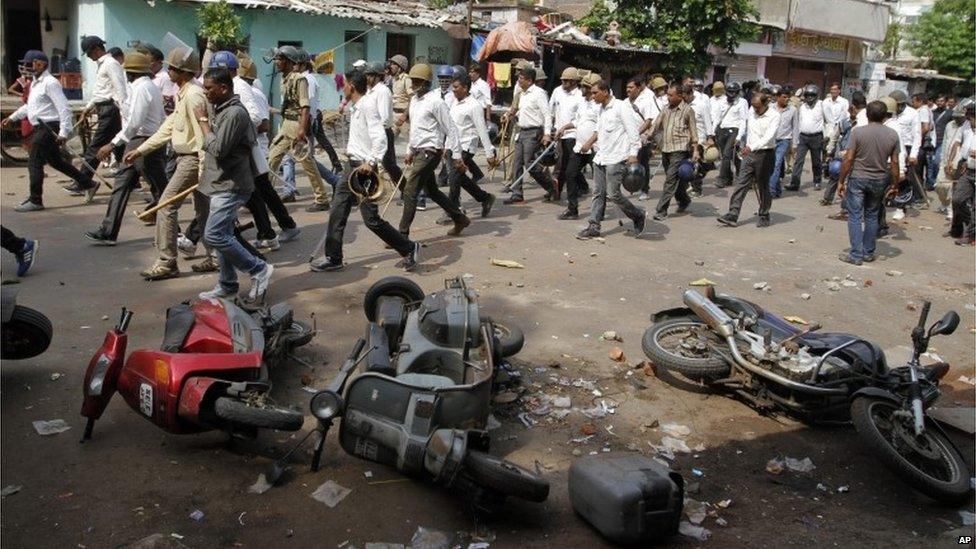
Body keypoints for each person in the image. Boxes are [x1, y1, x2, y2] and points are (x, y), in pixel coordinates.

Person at [310, 71, 420, 273]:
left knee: (370, 220)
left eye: (344, 85)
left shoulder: (368, 105)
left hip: (364, 170)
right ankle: (333, 257)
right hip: (351, 167)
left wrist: (370, 162)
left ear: (351, 86)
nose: (342, 88)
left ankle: (410, 248)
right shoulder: (356, 107)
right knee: (337, 210)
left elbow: (380, 139)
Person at [127, 46, 212, 281]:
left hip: (193, 160)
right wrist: (141, 149)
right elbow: (169, 127)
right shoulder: (184, 92)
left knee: (166, 206)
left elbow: (204, 137)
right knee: (203, 210)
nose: (168, 71)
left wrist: (204, 170)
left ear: (183, 72)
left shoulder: (194, 95)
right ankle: (215, 256)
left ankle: (166, 262)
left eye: (172, 68)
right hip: (187, 158)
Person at [193, 67, 273, 301]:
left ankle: (258, 268)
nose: (205, 93)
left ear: (224, 88)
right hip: (220, 183)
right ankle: (227, 284)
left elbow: (218, 148)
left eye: (209, 88)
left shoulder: (235, 114)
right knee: (224, 233)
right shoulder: (223, 110)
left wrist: (203, 122)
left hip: (232, 185)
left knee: (215, 234)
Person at [83, 51, 166, 245]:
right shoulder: (146, 87)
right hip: (138, 141)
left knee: (160, 189)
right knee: (121, 184)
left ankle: (176, 231)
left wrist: (112, 144)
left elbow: (134, 122)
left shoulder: (142, 88)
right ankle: (108, 231)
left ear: (130, 72)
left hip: (143, 142)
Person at [2, 50, 95, 212]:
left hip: (48, 126)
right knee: (55, 161)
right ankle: (88, 183)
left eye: (29, 64)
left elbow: (63, 107)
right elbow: (30, 107)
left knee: (34, 161)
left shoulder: (50, 83)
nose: (25, 67)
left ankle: (35, 200)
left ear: (41, 64)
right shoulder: (35, 83)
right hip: (40, 126)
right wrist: (13, 118)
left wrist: (64, 132)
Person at [397, 63, 470, 238]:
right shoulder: (414, 101)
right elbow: (415, 129)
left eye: (417, 81)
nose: (413, 84)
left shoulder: (436, 102)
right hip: (418, 151)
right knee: (432, 191)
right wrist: (409, 150)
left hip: (430, 152)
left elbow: (451, 129)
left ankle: (402, 235)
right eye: (412, 81)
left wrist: (458, 156)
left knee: (410, 191)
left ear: (426, 83)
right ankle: (459, 218)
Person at [238, 55, 300, 250]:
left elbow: (262, 123)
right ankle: (277, 228)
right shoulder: (246, 89)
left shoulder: (248, 92)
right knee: (263, 191)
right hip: (254, 149)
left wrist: (236, 131)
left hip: (256, 148)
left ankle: (269, 232)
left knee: (257, 191)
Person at [576, 79, 646, 239]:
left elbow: (633, 132)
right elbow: (599, 132)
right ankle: (594, 226)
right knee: (598, 193)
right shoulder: (601, 109)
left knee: (613, 194)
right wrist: (588, 144)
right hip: (601, 157)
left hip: (617, 157)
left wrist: (633, 153)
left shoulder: (621, 107)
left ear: (605, 92)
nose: (592, 96)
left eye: (595, 93)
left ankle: (637, 215)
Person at [835, 101, 902, 265]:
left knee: (855, 216)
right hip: (879, 179)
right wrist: (895, 184)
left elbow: (849, 158)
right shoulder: (893, 135)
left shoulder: (858, 132)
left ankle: (856, 254)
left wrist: (841, 181)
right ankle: (868, 252)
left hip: (858, 178)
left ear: (867, 115)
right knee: (872, 215)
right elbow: (894, 163)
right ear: (886, 115)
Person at [267, 46, 330, 212]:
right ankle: (262, 196)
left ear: (289, 61)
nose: (276, 62)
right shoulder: (285, 78)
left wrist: (302, 130)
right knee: (272, 158)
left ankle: (322, 198)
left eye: (280, 59)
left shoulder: (299, 79)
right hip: (287, 124)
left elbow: (305, 107)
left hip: (296, 126)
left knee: (308, 164)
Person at [72, 35, 127, 196]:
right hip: (104, 108)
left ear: (96, 49)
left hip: (110, 110)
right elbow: (101, 92)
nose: (88, 56)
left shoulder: (110, 64)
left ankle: (82, 182)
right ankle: (134, 181)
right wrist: (88, 107)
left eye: (89, 53)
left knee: (94, 148)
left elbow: (120, 90)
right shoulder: (102, 64)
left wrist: (125, 114)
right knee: (120, 149)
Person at [717, 90, 780, 228]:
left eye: (758, 107)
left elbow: (769, 137)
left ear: (766, 104)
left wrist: (752, 147)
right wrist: (740, 139)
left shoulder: (774, 116)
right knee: (741, 184)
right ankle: (733, 214)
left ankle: (764, 214)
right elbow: (745, 125)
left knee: (763, 187)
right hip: (749, 154)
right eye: (753, 106)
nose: (755, 109)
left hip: (765, 154)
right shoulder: (752, 110)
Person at [645, 83, 699, 221]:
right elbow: (656, 125)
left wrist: (695, 150)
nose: (667, 98)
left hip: (680, 150)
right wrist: (647, 137)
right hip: (666, 149)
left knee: (670, 180)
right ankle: (684, 200)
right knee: (677, 180)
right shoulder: (665, 109)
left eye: (670, 95)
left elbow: (694, 131)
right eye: (667, 95)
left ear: (680, 96)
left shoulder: (688, 111)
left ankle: (661, 210)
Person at [503, 67, 556, 204]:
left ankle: (551, 186)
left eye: (521, 78)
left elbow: (547, 114)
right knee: (517, 163)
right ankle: (517, 194)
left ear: (529, 80)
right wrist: (507, 115)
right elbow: (517, 111)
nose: (518, 80)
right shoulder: (521, 94)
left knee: (530, 164)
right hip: (522, 131)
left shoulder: (539, 93)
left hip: (534, 132)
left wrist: (547, 134)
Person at [446, 74, 497, 217]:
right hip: (453, 146)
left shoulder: (474, 105)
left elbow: (482, 129)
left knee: (454, 178)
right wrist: (446, 146)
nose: (453, 90)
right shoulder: (454, 102)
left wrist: (489, 153)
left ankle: (453, 212)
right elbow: (451, 126)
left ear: (465, 88)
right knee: (459, 178)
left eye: (456, 87)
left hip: (466, 146)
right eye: (453, 87)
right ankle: (485, 198)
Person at [822, 91, 865, 208]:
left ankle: (845, 206)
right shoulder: (843, 123)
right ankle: (827, 198)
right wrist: (830, 151)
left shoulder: (861, 123)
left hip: (852, 154)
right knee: (835, 173)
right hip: (840, 153)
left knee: (847, 180)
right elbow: (835, 137)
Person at [363, 62, 403, 187]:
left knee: (389, 165)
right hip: (371, 132)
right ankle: (371, 192)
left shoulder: (383, 91)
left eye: (370, 75)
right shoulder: (369, 92)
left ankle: (406, 190)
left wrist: (378, 135)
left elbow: (384, 118)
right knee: (370, 163)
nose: (367, 78)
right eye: (367, 75)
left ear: (378, 76)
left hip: (382, 132)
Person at [888, 90, 923, 220]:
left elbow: (917, 136)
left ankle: (901, 207)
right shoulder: (890, 114)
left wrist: (913, 154)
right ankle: (891, 199)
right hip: (891, 146)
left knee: (902, 178)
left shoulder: (912, 114)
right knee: (890, 176)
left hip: (906, 149)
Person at [944, 101, 975, 246]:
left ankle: (970, 235)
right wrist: (952, 161)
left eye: (970, 115)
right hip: (967, 169)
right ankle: (966, 228)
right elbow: (957, 142)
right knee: (958, 199)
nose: (968, 118)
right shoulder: (967, 126)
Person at [551, 68, 583, 201]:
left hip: (572, 135)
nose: (563, 83)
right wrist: (550, 129)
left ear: (574, 82)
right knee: (562, 163)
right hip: (558, 134)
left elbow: (580, 119)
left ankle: (557, 190)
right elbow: (551, 110)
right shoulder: (557, 91)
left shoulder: (580, 96)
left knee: (565, 165)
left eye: (566, 81)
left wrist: (566, 127)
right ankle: (581, 186)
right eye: (562, 80)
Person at [789, 85, 826, 191]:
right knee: (798, 161)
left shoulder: (821, 105)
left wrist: (826, 135)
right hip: (803, 137)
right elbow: (799, 122)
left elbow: (827, 120)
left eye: (812, 95)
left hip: (816, 137)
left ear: (816, 95)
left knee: (816, 161)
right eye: (807, 95)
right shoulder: (802, 107)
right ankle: (794, 183)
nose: (809, 97)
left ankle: (817, 181)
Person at [712, 81, 747, 188]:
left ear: (738, 92)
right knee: (731, 155)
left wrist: (739, 136)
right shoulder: (722, 102)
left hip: (734, 130)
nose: (732, 94)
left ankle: (722, 179)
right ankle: (736, 177)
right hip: (722, 130)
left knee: (727, 155)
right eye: (730, 92)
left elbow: (743, 120)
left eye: (734, 92)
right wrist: (712, 133)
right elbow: (717, 117)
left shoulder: (742, 102)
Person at [935, 102, 966, 217]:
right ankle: (944, 203)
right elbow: (945, 143)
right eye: (955, 117)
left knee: (954, 187)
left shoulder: (967, 127)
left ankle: (951, 209)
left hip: (958, 163)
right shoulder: (949, 125)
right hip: (946, 160)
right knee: (940, 185)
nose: (957, 119)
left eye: (959, 117)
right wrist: (942, 160)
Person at [682, 81, 712, 197]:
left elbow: (707, 121)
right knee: (687, 163)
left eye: (684, 97)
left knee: (696, 164)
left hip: (699, 139)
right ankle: (687, 184)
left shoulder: (701, 105)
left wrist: (710, 137)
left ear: (690, 94)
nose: (683, 99)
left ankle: (697, 189)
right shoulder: (683, 105)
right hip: (685, 139)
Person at [767, 86, 797, 198]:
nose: (786, 99)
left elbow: (795, 127)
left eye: (788, 98)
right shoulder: (770, 108)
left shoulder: (793, 110)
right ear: (778, 97)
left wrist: (794, 145)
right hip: (771, 140)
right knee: (772, 165)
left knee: (777, 163)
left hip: (784, 140)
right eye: (784, 97)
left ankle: (770, 190)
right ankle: (777, 189)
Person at [929, 95, 955, 191]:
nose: (940, 103)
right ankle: (931, 183)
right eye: (938, 101)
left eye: (942, 101)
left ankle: (937, 180)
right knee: (930, 163)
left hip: (941, 142)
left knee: (936, 162)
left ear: (946, 102)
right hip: (931, 141)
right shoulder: (932, 113)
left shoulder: (950, 113)